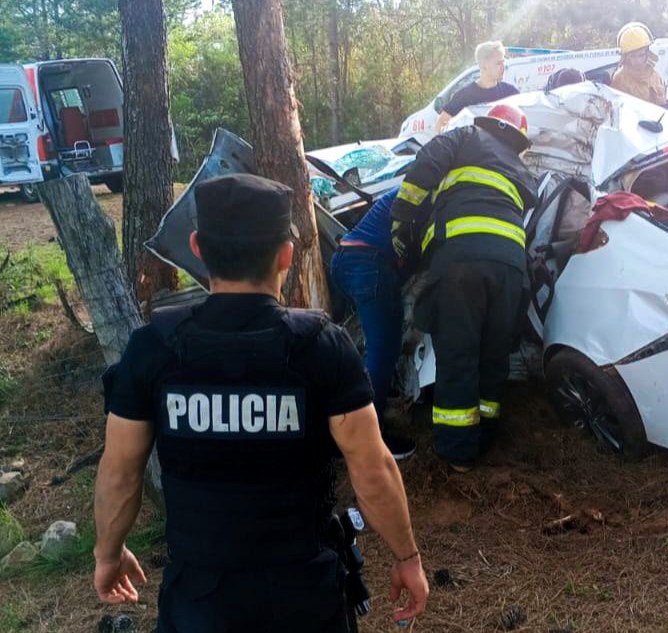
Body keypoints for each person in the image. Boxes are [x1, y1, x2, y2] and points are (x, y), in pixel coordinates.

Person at [93, 175, 428, 631]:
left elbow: (120, 471)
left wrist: (108, 554)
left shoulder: (153, 348)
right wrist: (407, 558)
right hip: (305, 598)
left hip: (200, 604)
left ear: (197, 247)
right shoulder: (323, 348)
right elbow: (372, 468)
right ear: (286, 255)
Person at [391, 104, 536, 472]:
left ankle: (458, 452)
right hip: (511, 266)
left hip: (461, 258)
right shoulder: (521, 169)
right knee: (493, 354)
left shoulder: (466, 135)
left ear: (488, 123)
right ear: (518, 140)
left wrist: (402, 222)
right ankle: (485, 436)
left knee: (459, 353)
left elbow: (424, 167)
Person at [329, 187, 416, 460]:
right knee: (383, 349)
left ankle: (346, 424)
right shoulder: (431, 188)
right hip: (368, 263)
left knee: (365, 347)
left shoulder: (412, 185)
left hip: (345, 258)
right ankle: (367, 438)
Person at [435, 41, 519, 133]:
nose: (503, 67)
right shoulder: (465, 96)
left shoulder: (510, 93)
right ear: (483, 65)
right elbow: (440, 125)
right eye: (498, 63)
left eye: (503, 62)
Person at [610, 22, 666, 105]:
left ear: (647, 53)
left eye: (641, 55)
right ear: (626, 57)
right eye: (633, 56)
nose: (638, 60)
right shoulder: (620, 78)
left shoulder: (655, 76)